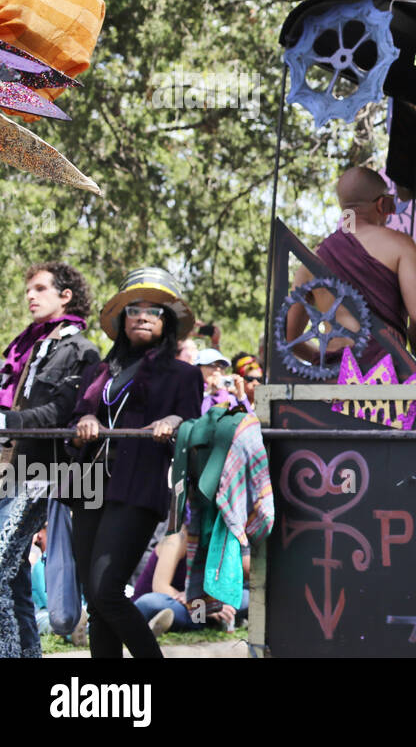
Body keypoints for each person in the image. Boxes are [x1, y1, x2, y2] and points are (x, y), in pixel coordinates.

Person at [69, 268, 204, 659]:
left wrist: (173, 423)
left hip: (138, 485)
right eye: (133, 310)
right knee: (95, 601)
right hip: (87, 484)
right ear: (122, 319)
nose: (143, 316)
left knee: (107, 591)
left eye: (154, 311)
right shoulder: (98, 372)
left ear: (168, 323)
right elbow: (78, 415)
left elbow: (191, 422)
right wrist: (86, 420)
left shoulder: (184, 374)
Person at [0, 262, 100, 658]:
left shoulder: (81, 349)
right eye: (28, 289)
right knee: (15, 575)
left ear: (65, 296)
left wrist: (6, 420)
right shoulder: (26, 345)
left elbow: (60, 413)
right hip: (12, 469)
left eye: (40, 288)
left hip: (46, 472)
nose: (30, 296)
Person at [286, 166, 416, 369]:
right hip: (385, 378)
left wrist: (326, 363)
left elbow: (290, 337)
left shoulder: (313, 259)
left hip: (333, 383)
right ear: (382, 204)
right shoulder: (400, 245)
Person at [196, 347, 251, 414]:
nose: (218, 369)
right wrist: (207, 394)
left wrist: (241, 396)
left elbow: (251, 421)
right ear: (198, 368)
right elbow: (200, 421)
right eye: (212, 365)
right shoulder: (191, 392)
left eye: (222, 366)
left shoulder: (229, 396)